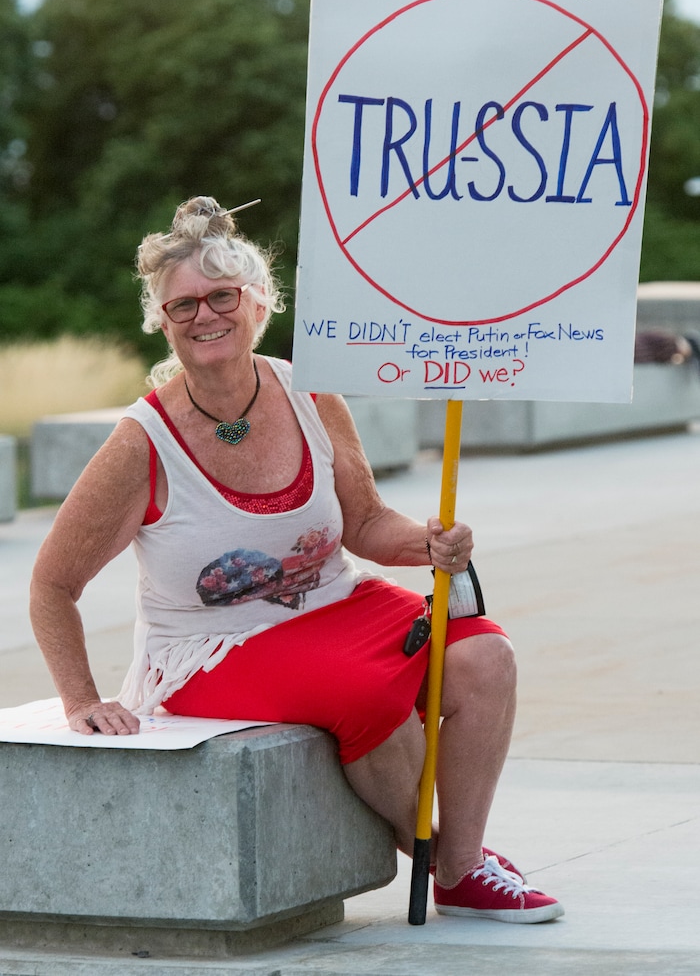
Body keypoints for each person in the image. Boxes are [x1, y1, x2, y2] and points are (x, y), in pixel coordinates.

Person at [30, 195, 563, 924]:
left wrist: (428, 542)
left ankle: (463, 867)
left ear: (257, 304)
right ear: (161, 320)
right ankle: (446, 859)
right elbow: (52, 583)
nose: (203, 316)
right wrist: (82, 700)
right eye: (181, 306)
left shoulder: (309, 387)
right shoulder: (140, 442)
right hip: (211, 648)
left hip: (335, 603)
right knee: (365, 692)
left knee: (485, 654)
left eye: (221, 296)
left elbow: (366, 522)